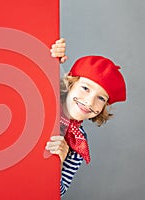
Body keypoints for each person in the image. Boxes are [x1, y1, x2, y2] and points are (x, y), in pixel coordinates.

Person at [49, 39, 126, 197]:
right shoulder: (46, 99)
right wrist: (51, 55)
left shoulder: (78, 141)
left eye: (101, 98)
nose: (90, 101)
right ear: (71, 84)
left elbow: (59, 193)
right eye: (85, 88)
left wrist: (59, 163)